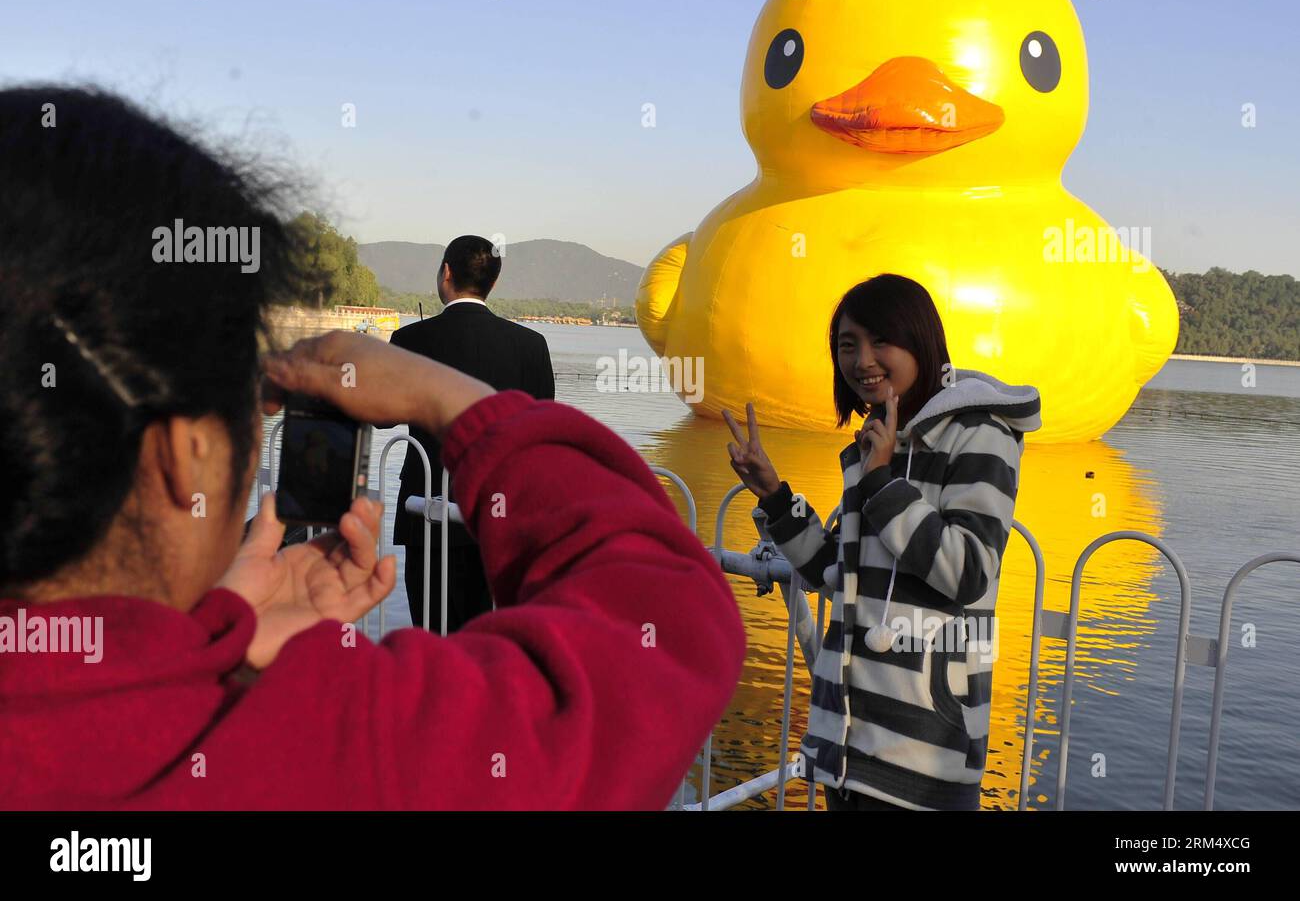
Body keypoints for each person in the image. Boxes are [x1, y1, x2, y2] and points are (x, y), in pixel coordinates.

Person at [0, 86, 746, 809]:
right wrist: (452, 402)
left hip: (423, 524)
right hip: (490, 524)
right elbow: (671, 625)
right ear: (183, 455)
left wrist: (217, 633)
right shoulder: (345, 742)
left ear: (446, 274)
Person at [723, 274, 1041, 810]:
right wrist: (776, 497)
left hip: (926, 747)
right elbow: (835, 573)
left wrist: (881, 480)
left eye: (879, 342)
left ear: (920, 341)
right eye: (847, 345)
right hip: (846, 745)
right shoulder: (873, 443)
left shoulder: (980, 434)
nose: (862, 360)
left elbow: (968, 571)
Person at [389, 236, 554, 633]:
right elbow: (541, 430)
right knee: (484, 632)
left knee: (429, 631)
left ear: (446, 273)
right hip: (494, 514)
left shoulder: (410, 340)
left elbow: (380, 417)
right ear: (492, 284)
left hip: (424, 506)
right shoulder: (531, 345)